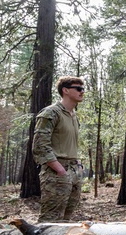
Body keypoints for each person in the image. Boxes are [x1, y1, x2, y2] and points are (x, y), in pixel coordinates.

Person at [32, 76, 86, 222]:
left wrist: (78, 165)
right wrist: (59, 169)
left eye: (83, 89)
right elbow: (40, 145)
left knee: (66, 220)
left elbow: (70, 143)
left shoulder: (73, 116)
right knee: (50, 220)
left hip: (74, 170)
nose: (82, 92)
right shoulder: (51, 113)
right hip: (56, 172)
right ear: (65, 90)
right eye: (78, 89)